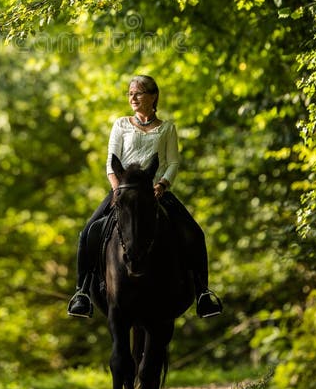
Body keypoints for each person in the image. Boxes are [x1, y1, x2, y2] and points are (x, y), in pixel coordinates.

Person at [67, 74, 223, 319]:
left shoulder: (167, 128)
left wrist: (162, 184)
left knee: (194, 232)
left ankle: (203, 293)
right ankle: (82, 292)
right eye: (130, 93)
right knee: (87, 232)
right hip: (123, 192)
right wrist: (118, 189)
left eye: (138, 93)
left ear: (153, 96)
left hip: (156, 193)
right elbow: (111, 162)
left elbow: (173, 162)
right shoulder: (120, 124)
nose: (133, 98)